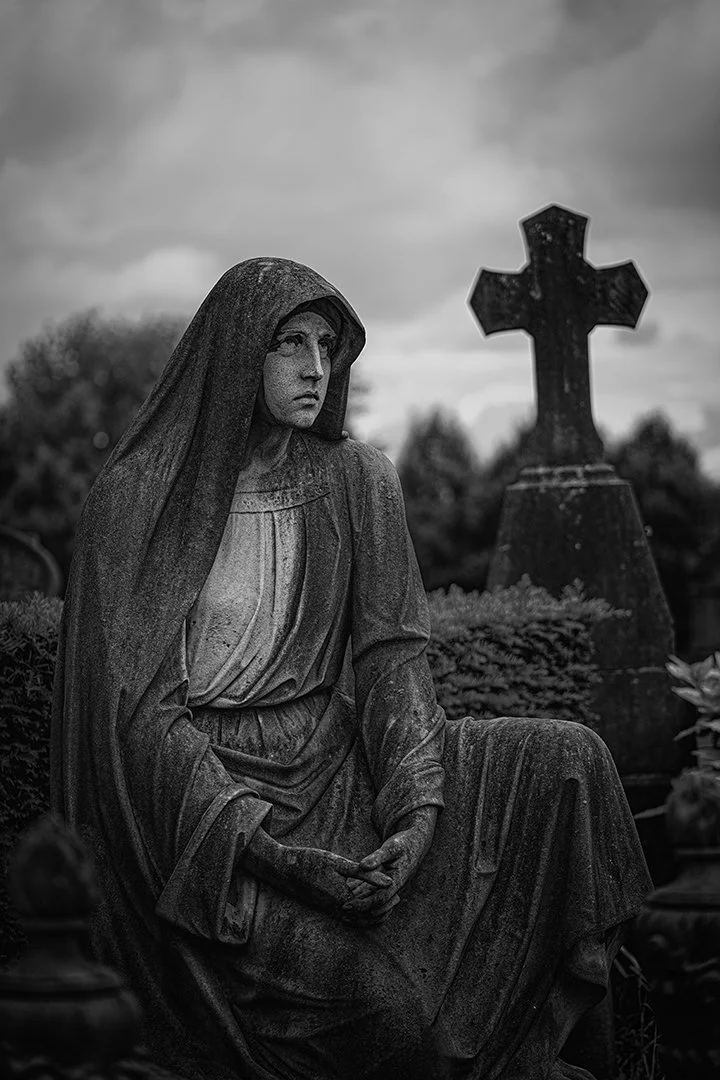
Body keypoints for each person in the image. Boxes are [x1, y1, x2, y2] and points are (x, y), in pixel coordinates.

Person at [52, 258, 652, 1080]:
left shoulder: (356, 479)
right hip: (218, 822)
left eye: (326, 345)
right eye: (288, 342)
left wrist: (417, 817)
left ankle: (580, 1061)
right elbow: (142, 723)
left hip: (341, 772)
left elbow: (393, 667)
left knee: (568, 763)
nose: (314, 366)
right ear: (234, 353)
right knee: (395, 1026)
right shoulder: (138, 503)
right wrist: (274, 855)